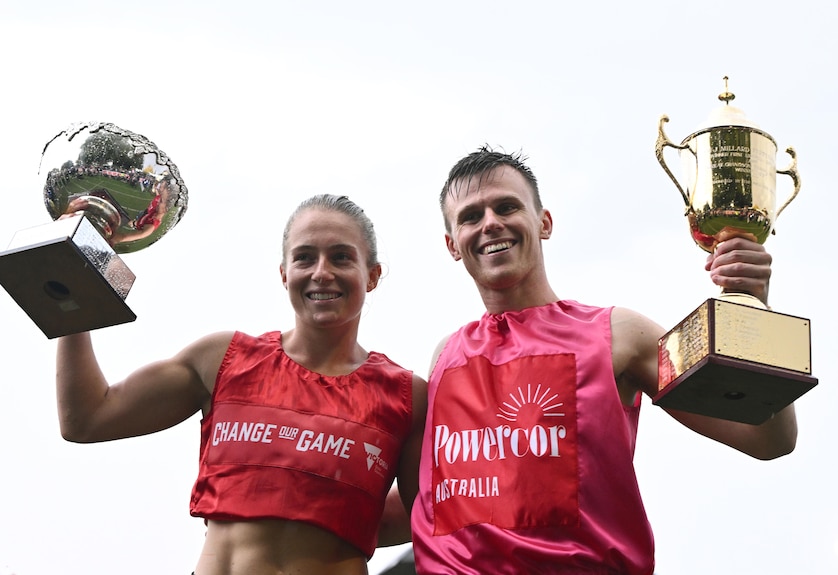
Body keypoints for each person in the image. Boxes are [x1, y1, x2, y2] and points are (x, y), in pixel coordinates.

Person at [386, 146, 797, 575]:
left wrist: (751, 308)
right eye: (471, 216)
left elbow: (767, 437)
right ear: (453, 244)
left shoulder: (622, 335)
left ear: (544, 222)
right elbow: (430, 503)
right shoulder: (444, 357)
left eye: (506, 206)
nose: (490, 223)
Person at [55, 194, 426, 575]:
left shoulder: (408, 397)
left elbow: (426, 518)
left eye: (341, 257)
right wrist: (76, 282)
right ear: (284, 273)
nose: (321, 272)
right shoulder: (223, 360)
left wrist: (346, 511)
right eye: (304, 257)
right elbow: (88, 417)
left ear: (373, 275)